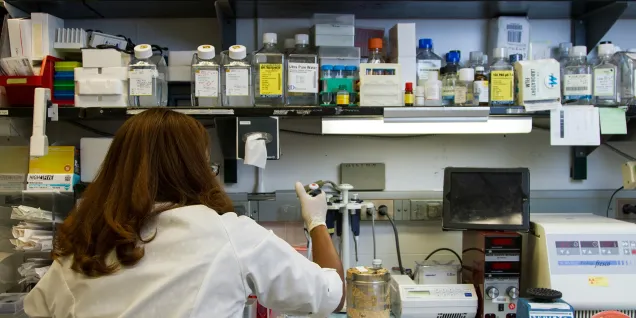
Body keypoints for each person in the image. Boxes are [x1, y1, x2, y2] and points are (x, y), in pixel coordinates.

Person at [24, 108, 344, 317]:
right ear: (194, 171)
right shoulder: (229, 235)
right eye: (207, 165)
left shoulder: (82, 248)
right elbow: (332, 296)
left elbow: (35, 311)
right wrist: (317, 222)